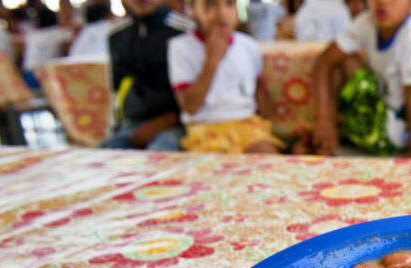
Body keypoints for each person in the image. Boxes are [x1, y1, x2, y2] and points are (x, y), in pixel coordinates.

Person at [311, 0, 411, 157]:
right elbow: (324, 61)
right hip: (375, 110)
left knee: (348, 61)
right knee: (338, 61)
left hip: (393, 134)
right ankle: (327, 135)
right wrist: (323, 119)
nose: (382, 3)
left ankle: (330, 140)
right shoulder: (367, 21)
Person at [167, 0, 284, 153]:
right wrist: (212, 61)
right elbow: (190, 106)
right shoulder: (181, 47)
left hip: (246, 125)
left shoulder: (248, 46)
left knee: (268, 161)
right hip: (204, 129)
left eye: (229, 4)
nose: (222, 13)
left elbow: (259, 91)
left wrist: (266, 125)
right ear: (191, 8)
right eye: (210, 5)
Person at [100, 0, 193, 151]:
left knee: (159, 153)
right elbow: (116, 91)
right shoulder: (116, 35)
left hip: (178, 124)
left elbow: (195, 95)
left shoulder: (184, 32)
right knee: (105, 155)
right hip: (134, 123)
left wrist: (165, 121)